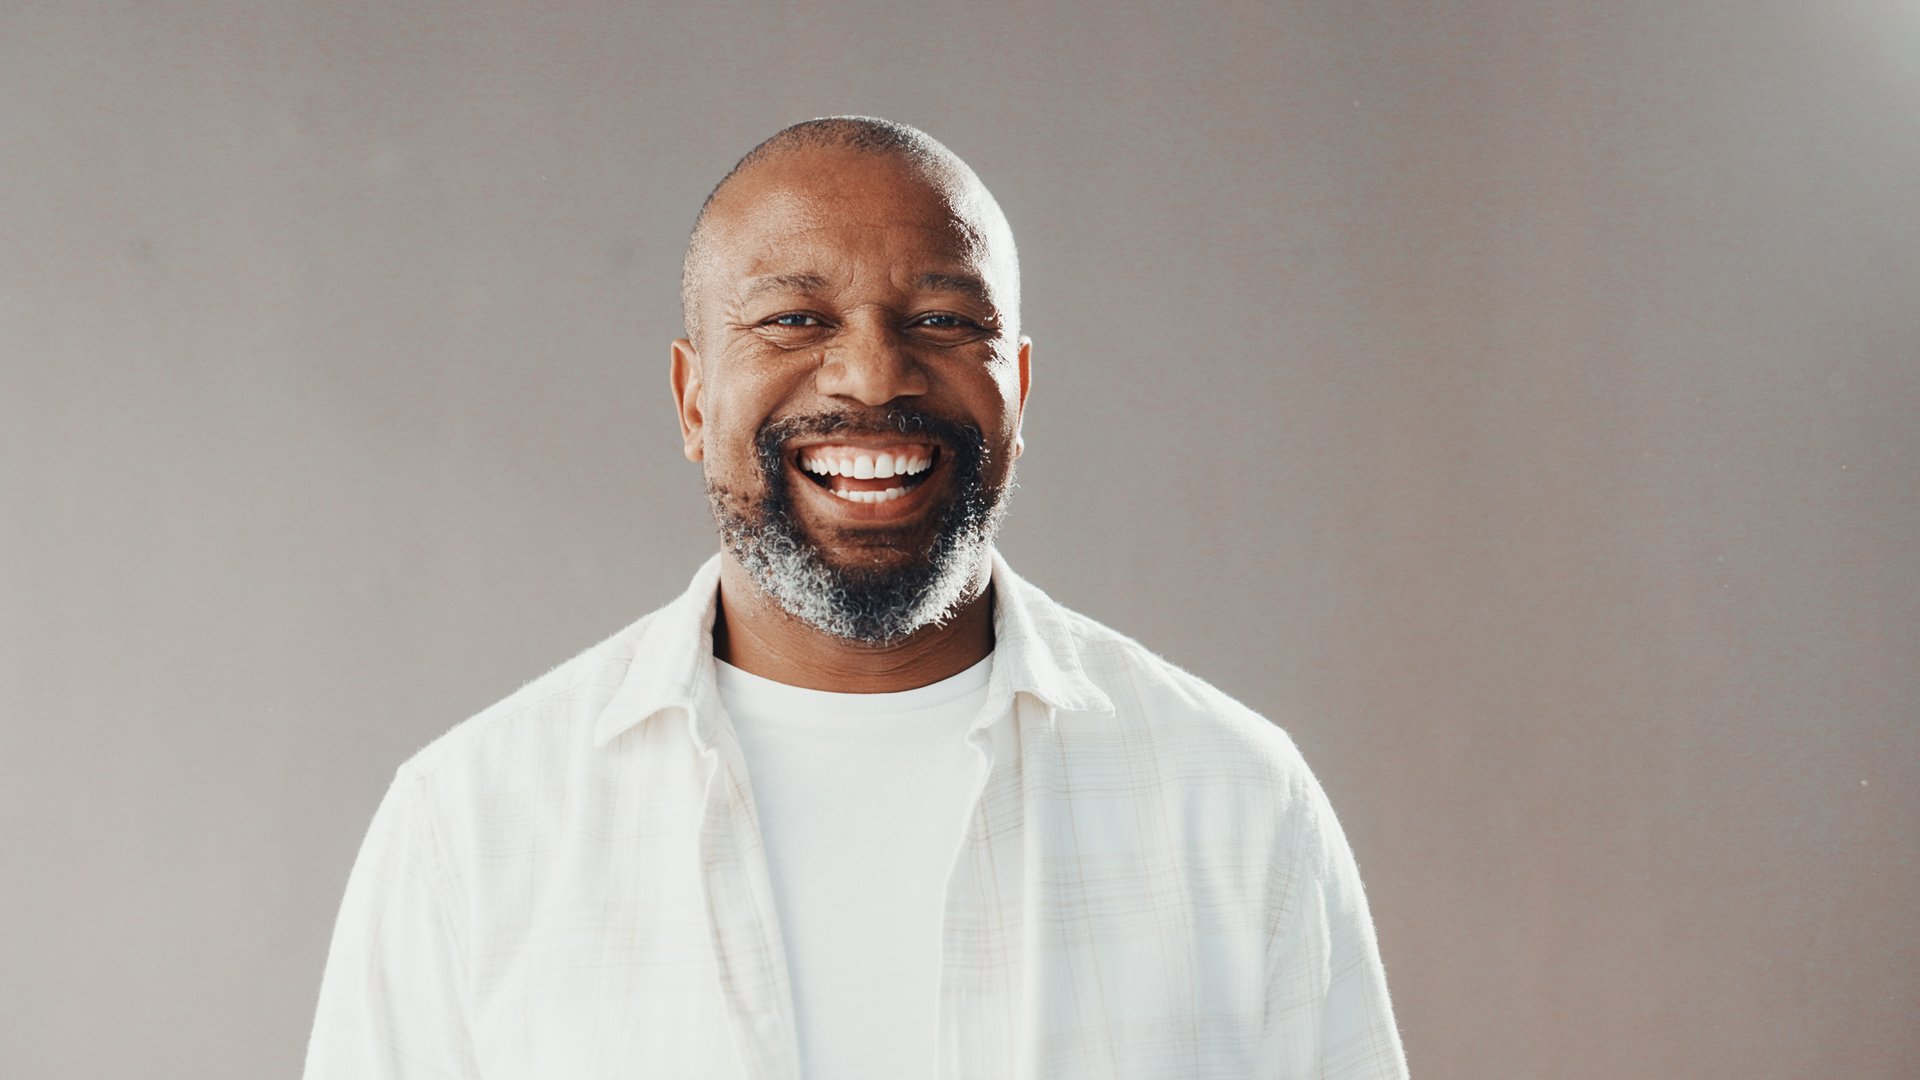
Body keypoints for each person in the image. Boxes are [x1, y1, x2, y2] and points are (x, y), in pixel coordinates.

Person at [304, 116, 1409, 1080]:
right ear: (694, 399)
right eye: (794, 321)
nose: (873, 376)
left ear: (1018, 389)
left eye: (940, 320)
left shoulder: (1234, 802)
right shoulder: (473, 828)